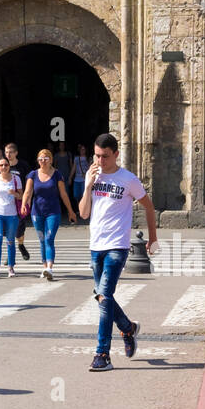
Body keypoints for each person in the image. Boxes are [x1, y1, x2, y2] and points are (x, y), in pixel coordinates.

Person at [79, 132, 158, 372]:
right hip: (96, 246)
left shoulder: (128, 179)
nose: (100, 161)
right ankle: (128, 328)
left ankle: (102, 354)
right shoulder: (92, 175)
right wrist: (88, 185)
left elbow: (149, 207)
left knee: (104, 300)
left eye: (104, 157)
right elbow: (83, 213)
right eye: (96, 156)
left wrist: (152, 238)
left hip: (117, 246)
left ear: (115, 154)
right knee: (103, 297)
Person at [22, 148, 78, 281]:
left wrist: (70, 211)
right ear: (38, 160)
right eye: (40, 159)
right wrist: (24, 204)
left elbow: (63, 194)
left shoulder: (57, 174)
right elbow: (27, 192)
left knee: (49, 238)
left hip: (53, 211)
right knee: (42, 240)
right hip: (37, 212)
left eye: (46, 159)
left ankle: (50, 268)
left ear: (51, 160)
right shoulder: (32, 175)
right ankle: (44, 266)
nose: (43, 161)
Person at [4, 142, 32, 261]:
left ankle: (20, 245)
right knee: (8, 228)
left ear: (16, 153)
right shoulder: (3, 165)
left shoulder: (23, 166)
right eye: (6, 152)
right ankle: (9, 255)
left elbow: (30, 183)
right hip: (6, 201)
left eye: (10, 152)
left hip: (20, 199)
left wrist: (28, 199)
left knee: (19, 228)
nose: (8, 155)